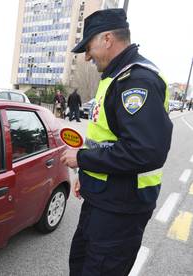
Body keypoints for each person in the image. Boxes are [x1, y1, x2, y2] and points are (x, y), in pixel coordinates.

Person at [60, 8, 173, 275]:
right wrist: (85, 173)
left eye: (88, 47)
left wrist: (81, 159)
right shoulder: (113, 78)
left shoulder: (137, 80)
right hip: (102, 199)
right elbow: (106, 140)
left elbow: (144, 152)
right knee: (80, 263)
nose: (87, 56)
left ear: (107, 39)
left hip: (122, 208)